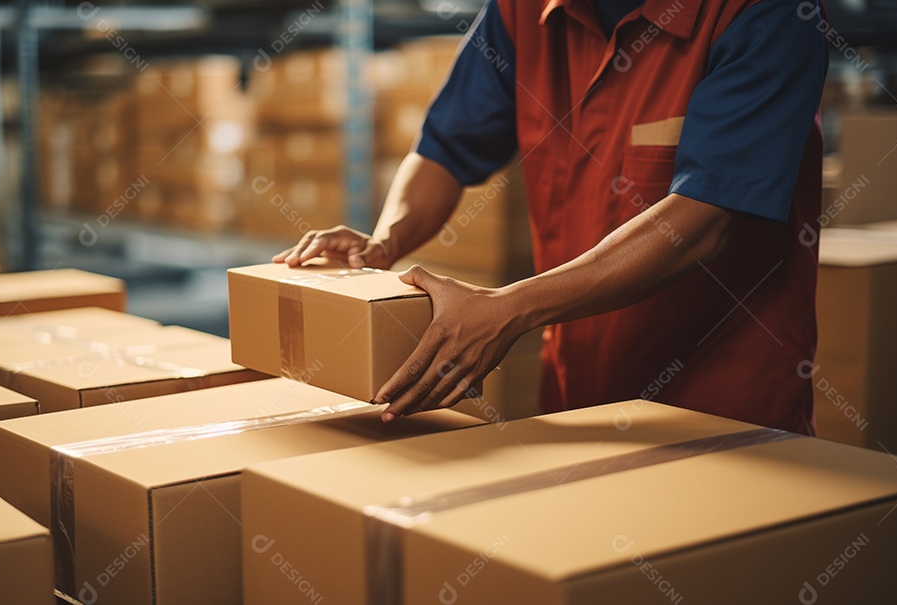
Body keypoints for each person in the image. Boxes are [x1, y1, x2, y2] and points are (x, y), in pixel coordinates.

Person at [273, 0, 829, 433]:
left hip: (724, 407)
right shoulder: (522, 13)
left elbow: (708, 220)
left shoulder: (763, 15)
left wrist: (509, 309)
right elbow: (444, 149)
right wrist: (384, 244)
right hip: (579, 395)